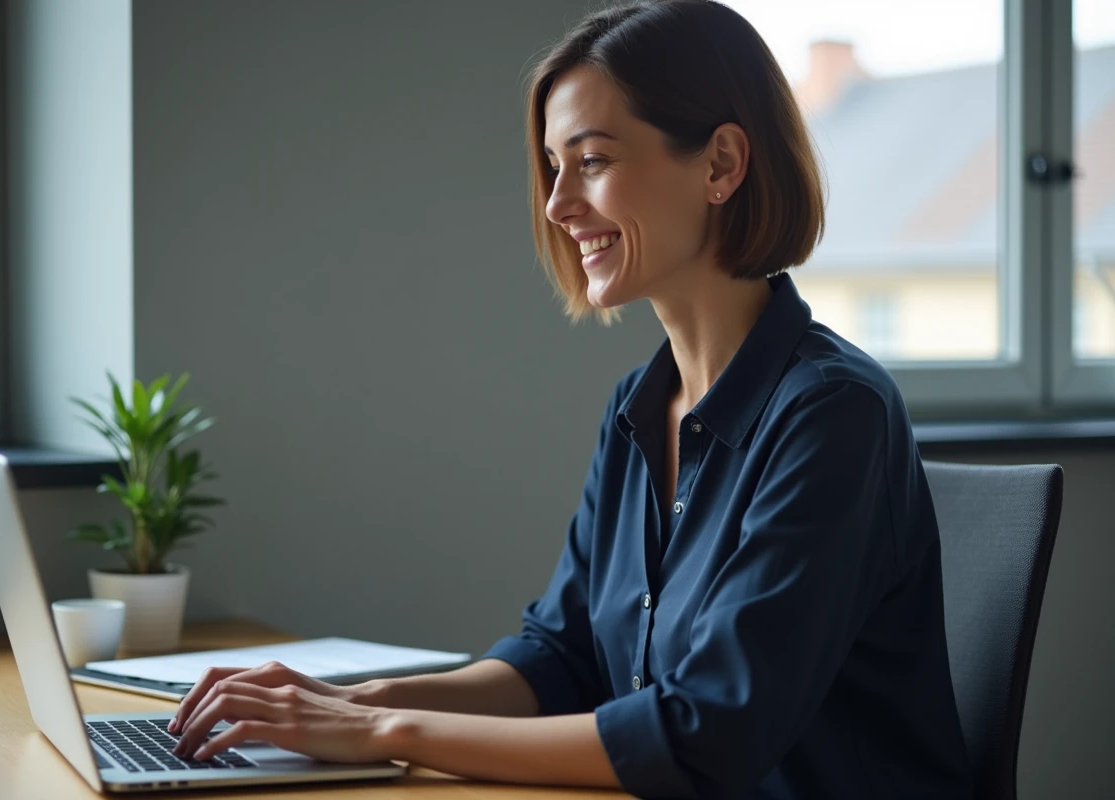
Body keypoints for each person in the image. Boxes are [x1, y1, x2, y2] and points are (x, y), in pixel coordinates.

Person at [167, 1, 975, 797]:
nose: (556, 205)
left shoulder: (834, 413)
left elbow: (708, 732)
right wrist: (343, 704)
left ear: (722, 165)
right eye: (555, 167)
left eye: (591, 161)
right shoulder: (639, 407)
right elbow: (561, 658)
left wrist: (384, 735)